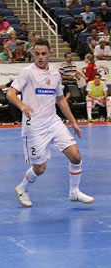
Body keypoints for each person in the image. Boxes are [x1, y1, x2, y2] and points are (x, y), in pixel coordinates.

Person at [6, 38, 94, 208]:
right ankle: (22, 188)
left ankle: (74, 192)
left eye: (43, 53)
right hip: (34, 127)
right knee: (40, 168)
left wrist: (73, 122)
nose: (40, 57)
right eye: (37, 53)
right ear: (33, 53)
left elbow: (60, 99)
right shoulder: (27, 72)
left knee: (76, 156)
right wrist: (22, 105)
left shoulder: (55, 75)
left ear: (50, 54)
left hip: (53, 122)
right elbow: (10, 93)